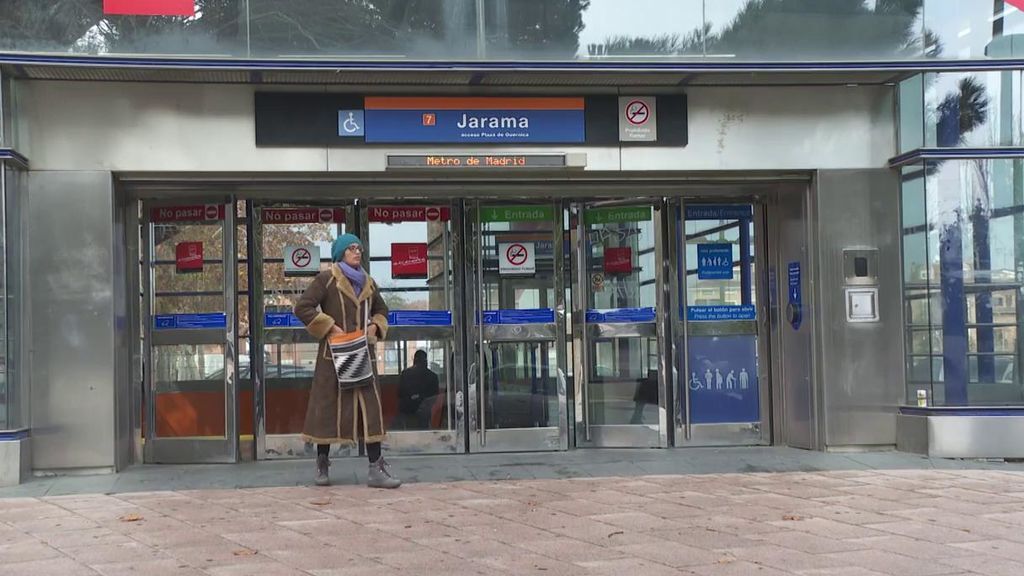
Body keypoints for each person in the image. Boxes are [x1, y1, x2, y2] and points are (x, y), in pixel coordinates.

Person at [293, 233, 400, 489]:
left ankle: (376, 468)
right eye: (351, 248)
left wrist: (376, 326)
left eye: (359, 248)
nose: (357, 252)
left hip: (362, 352)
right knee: (327, 410)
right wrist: (329, 327)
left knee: (370, 411)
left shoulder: (368, 282)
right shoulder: (326, 279)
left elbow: (382, 310)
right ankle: (322, 461)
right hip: (334, 355)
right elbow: (303, 307)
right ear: (341, 252)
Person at [397, 350, 440, 429]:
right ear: (426, 361)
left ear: (414, 360)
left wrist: (411, 398)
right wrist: (421, 399)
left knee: (408, 431)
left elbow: (400, 393)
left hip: (407, 409)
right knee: (424, 431)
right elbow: (435, 396)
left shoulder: (405, 374)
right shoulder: (433, 376)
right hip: (424, 410)